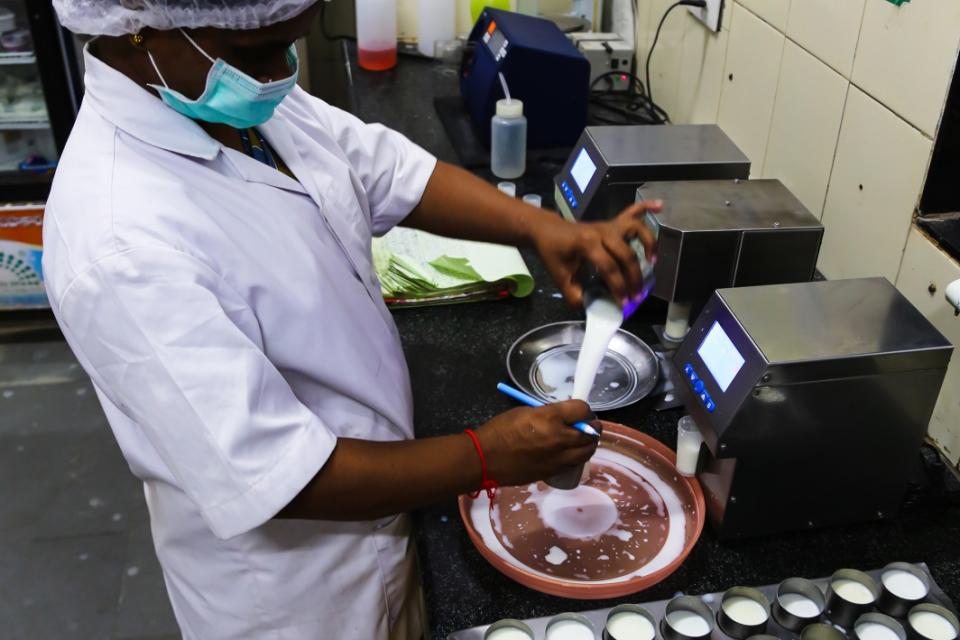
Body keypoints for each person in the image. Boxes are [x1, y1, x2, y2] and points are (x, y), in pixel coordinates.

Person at [46, 1, 661, 638]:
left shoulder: (234, 102)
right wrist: (486, 455)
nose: (279, 74)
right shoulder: (119, 243)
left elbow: (385, 170)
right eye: (260, 52)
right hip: (300, 596)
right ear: (140, 22)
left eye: (290, 44)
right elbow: (282, 477)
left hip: (384, 506)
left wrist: (542, 228)